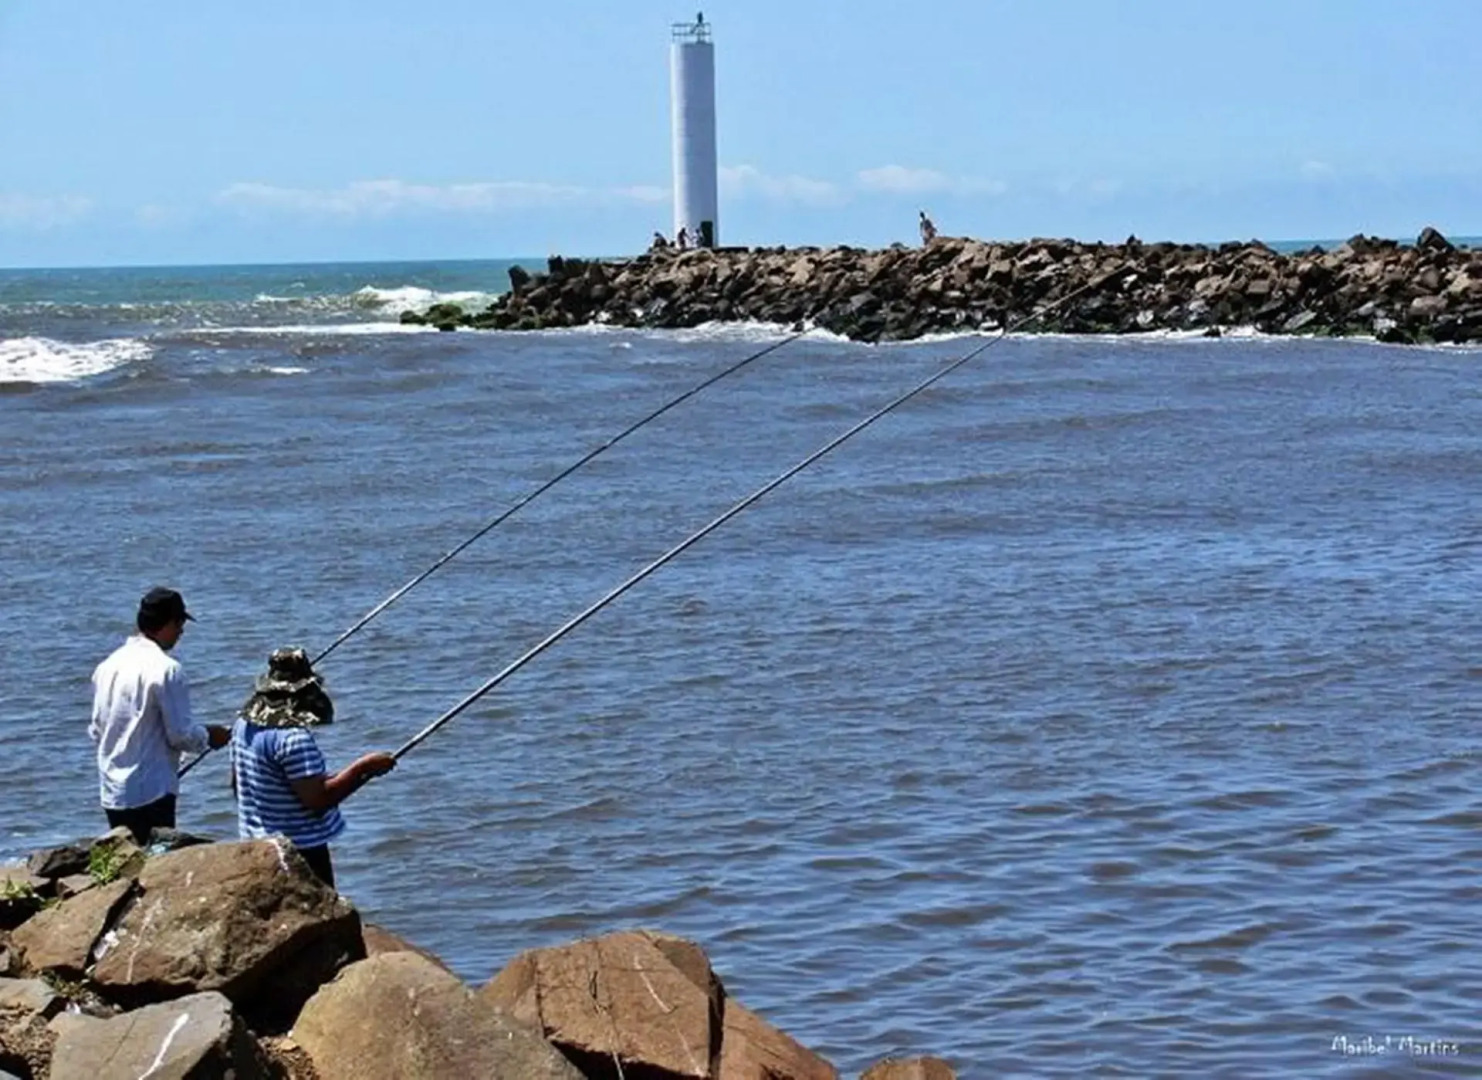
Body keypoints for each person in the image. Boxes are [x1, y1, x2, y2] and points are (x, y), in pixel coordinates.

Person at [231, 647, 395, 888]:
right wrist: (364, 767)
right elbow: (318, 799)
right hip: (299, 851)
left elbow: (238, 784)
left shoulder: (242, 725)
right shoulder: (293, 738)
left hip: (256, 845)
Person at [89, 587, 231, 843]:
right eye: (179, 624)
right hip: (151, 794)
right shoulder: (166, 669)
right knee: (154, 864)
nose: (181, 632)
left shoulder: (106, 667)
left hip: (112, 792)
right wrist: (212, 735)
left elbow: (97, 730)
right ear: (167, 624)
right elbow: (181, 735)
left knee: (127, 865)